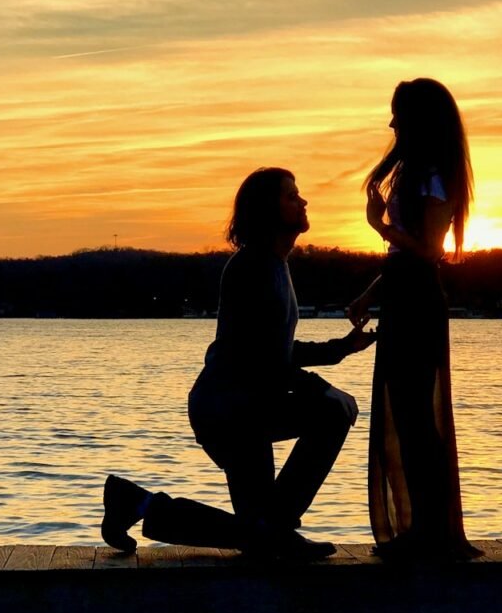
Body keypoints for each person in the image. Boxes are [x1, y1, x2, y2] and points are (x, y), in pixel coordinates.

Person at [102, 167, 375, 560]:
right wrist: (323, 388)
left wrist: (341, 348)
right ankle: (273, 530)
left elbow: (276, 350)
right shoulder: (252, 269)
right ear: (267, 210)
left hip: (249, 407)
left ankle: (135, 502)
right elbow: (259, 360)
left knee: (256, 534)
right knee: (330, 413)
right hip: (229, 411)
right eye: (291, 196)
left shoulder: (275, 265)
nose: (303, 201)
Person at [347, 78, 480, 560]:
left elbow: (427, 252)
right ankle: (421, 529)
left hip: (419, 301)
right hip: (405, 294)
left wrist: (379, 227)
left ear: (418, 120)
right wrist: (369, 293)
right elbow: (404, 258)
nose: (391, 123)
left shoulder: (433, 177)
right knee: (406, 413)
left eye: (397, 114)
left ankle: (432, 532)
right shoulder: (418, 173)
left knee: (417, 416)